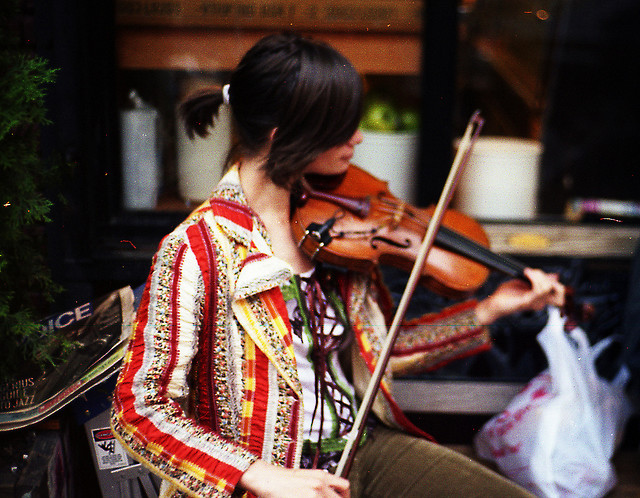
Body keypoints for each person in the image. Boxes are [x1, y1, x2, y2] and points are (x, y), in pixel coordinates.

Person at [111, 32, 565, 498]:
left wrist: (488, 311)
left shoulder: (334, 227)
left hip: (360, 450)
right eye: (341, 125)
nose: (358, 138)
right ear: (284, 133)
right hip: (266, 476)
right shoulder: (198, 246)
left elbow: (380, 352)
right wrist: (257, 474)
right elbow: (140, 407)